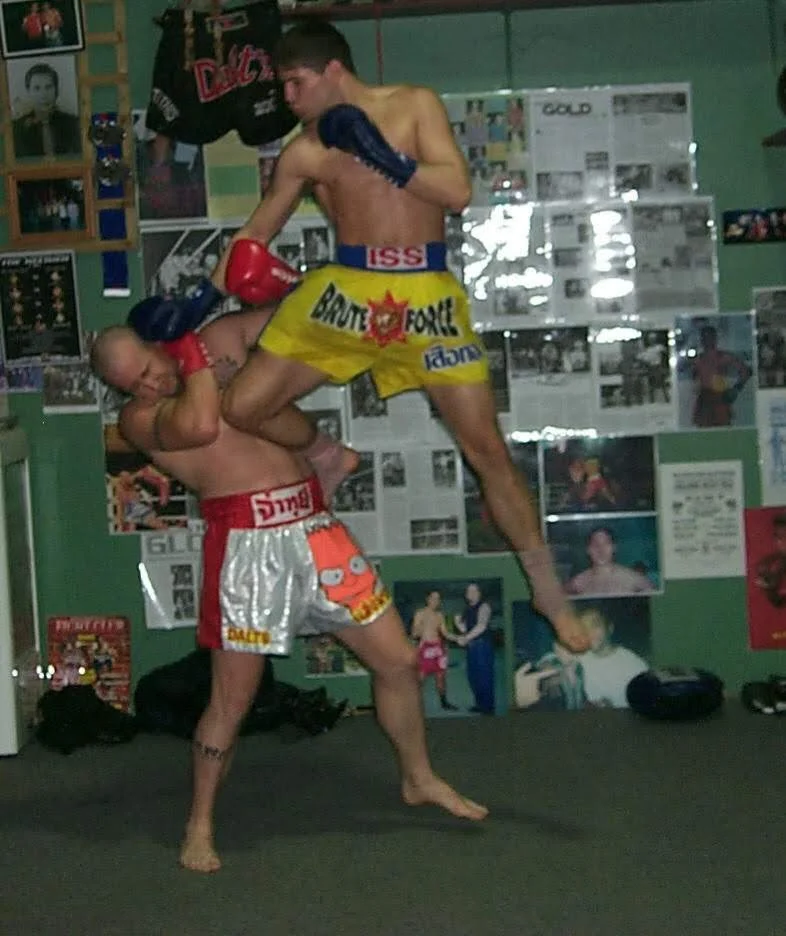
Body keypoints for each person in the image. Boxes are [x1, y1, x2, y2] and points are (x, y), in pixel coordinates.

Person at [128, 19, 590, 656]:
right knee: (243, 406)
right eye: (283, 86)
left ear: (333, 71)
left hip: (424, 293)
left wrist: (380, 154)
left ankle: (548, 592)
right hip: (348, 290)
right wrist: (199, 301)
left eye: (296, 83)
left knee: (486, 449)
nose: (288, 98)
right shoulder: (304, 152)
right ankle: (326, 454)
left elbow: (457, 192)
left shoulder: (414, 105)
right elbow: (253, 236)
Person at [90, 307, 487, 874]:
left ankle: (418, 777)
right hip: (246, 546)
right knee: (232, 702)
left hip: (314, 525)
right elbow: (201, 425)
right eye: (134, 383)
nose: (150, 384)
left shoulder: (215, 340)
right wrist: (193, 357)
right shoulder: (140, 419)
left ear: (156, 342)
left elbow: (296, 315)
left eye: (148, 368)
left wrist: (266, 308)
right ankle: (199, 824)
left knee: (399, 661)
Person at [574, 608, 648, 708]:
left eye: (594, 625)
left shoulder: (634, 665)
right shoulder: (579, 658)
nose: (588, 632)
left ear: (610, 628)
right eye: (583, 628)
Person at [12, 62, 81, 158]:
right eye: (37, 88)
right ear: (28, 91)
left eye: (48, 87)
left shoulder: (73, 124)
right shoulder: (17, 128)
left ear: (56, 90)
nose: (43, 95)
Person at [689, 324, 751, 429]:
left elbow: (746, 371)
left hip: (719, 397)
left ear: (715, 338)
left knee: (723, 430)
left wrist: (736, 389)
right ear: (701, 339)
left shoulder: (723, 357)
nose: (706, 340)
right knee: (704, 433)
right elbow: (695, 378)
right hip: (704, 399)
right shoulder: (698, 359)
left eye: (709, 337)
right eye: (704, 337)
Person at [564, 527, 655, 598]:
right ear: (588, 550)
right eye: (595, 544)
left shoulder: (633, 579)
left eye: (606, 543)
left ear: (614, 548)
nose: (601, 550)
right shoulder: (579, 582)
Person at [410, 590, 457, 711]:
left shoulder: (439, 615)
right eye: (433, 598)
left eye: (438, 599)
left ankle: (444, 702)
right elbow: (414, 633)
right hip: (425, 648)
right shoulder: (420, 613)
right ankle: (412, 704)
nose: (436, 601)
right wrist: (421, 628)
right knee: (420, 678)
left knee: (441, 677)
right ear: (428, 599)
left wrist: (458, 638)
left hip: (438, 648)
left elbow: (445, 633)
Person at [453, 583, 495, 715]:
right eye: (468, 591)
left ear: (479, 593)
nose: (471, 594)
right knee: (473, 677)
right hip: (472, 647)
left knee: (484, 677)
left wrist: (465, 638)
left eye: (474, 591)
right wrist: (458, 623)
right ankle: (480, 704)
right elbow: (465, 629)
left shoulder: (484, 606)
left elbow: (482, 626)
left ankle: (488, 709)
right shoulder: (467, 609)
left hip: (482, 646)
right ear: (466, 595)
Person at [754, 513, 786, 608]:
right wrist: (769, 587)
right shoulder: (768, 565)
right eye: (779, 537)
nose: (783, 542)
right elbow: (778, 603)